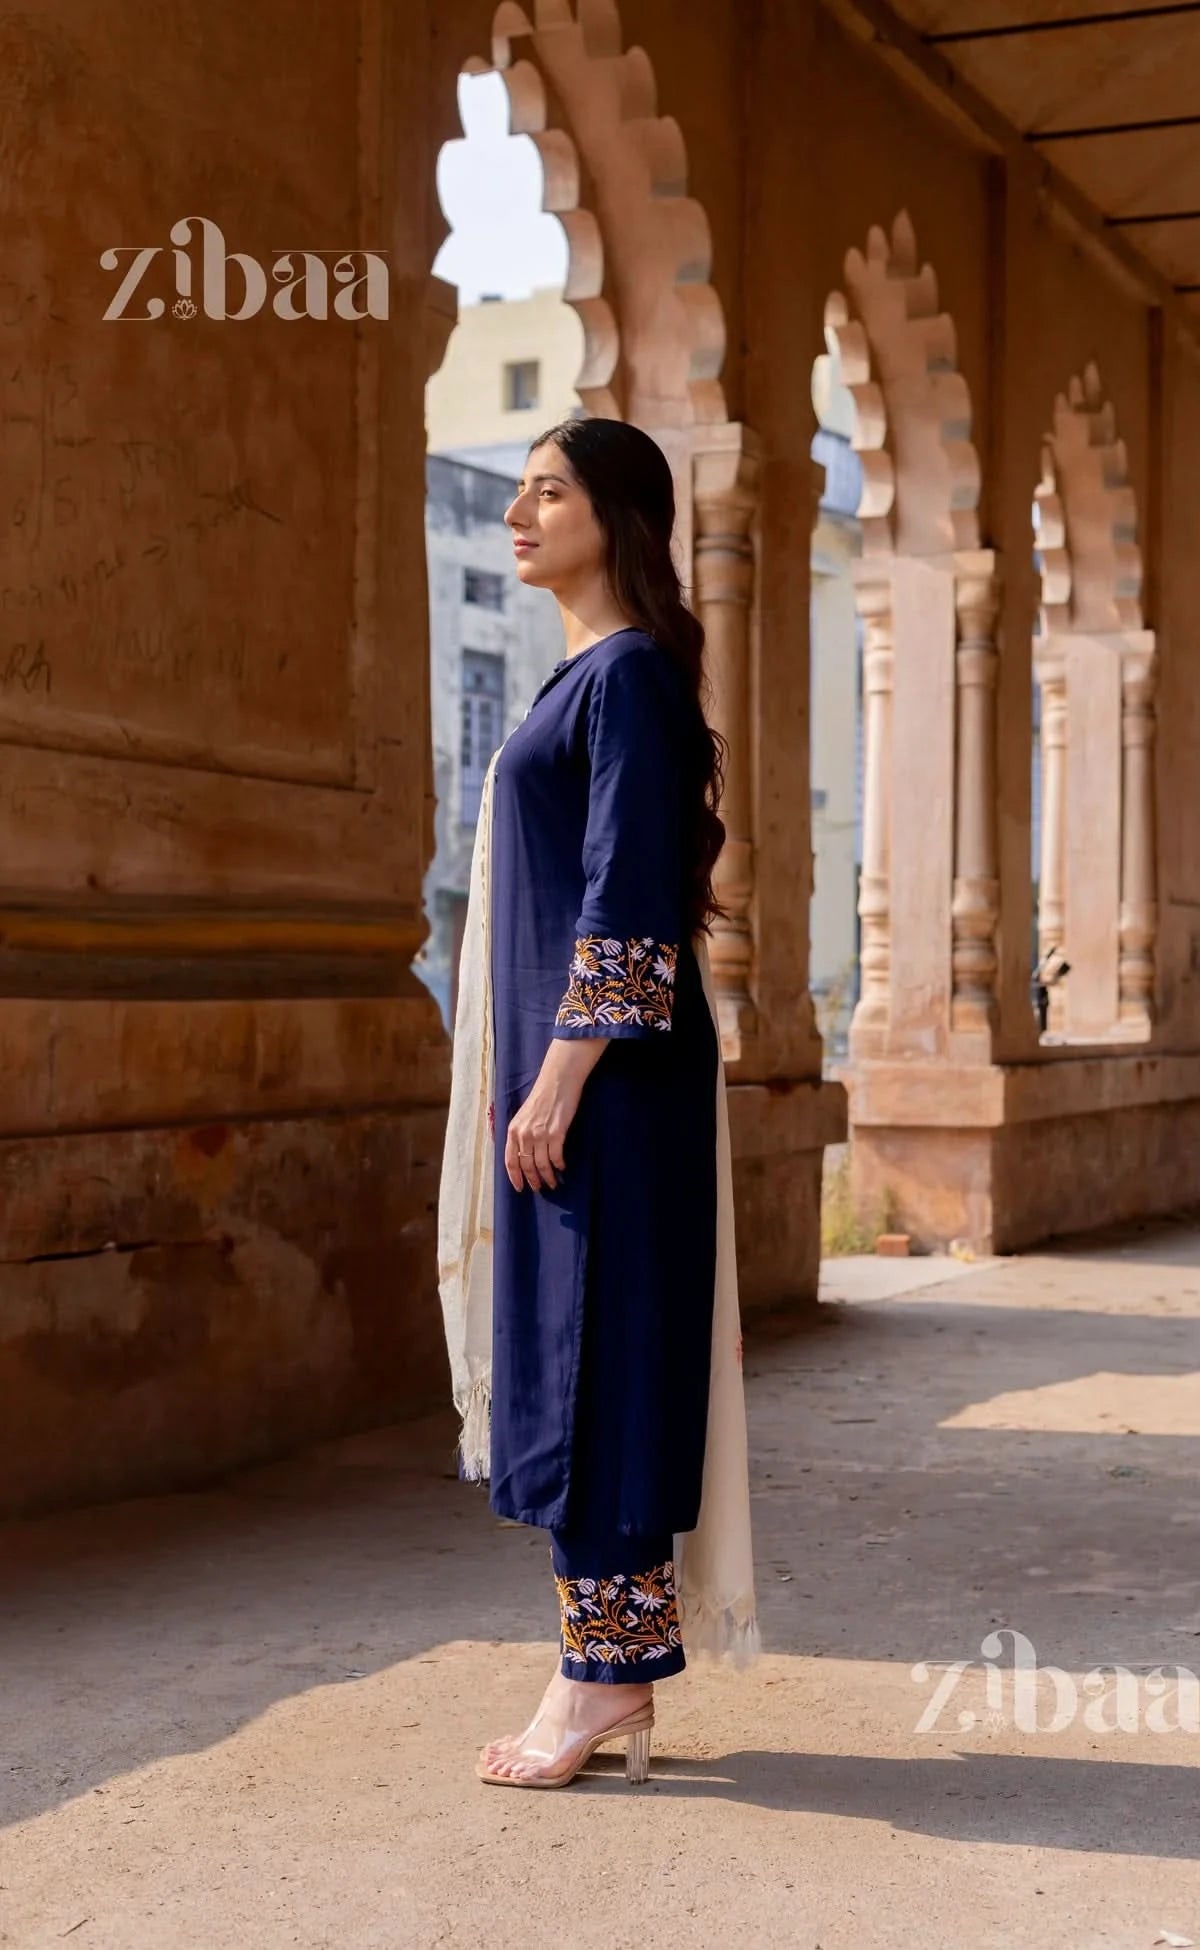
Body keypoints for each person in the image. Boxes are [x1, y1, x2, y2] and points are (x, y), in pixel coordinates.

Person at [435, 416, 758, 1791]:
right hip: (586, 1084)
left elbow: (627, 892)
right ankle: (602, 1670)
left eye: (546, 491)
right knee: (579, 1357)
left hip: (608, 1090)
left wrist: (560, 1073)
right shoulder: (588, 676)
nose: (517, 513)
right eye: (514, 493)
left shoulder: (626, 678)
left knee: (599, 1365)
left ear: (612, 514)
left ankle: (600, 1682)